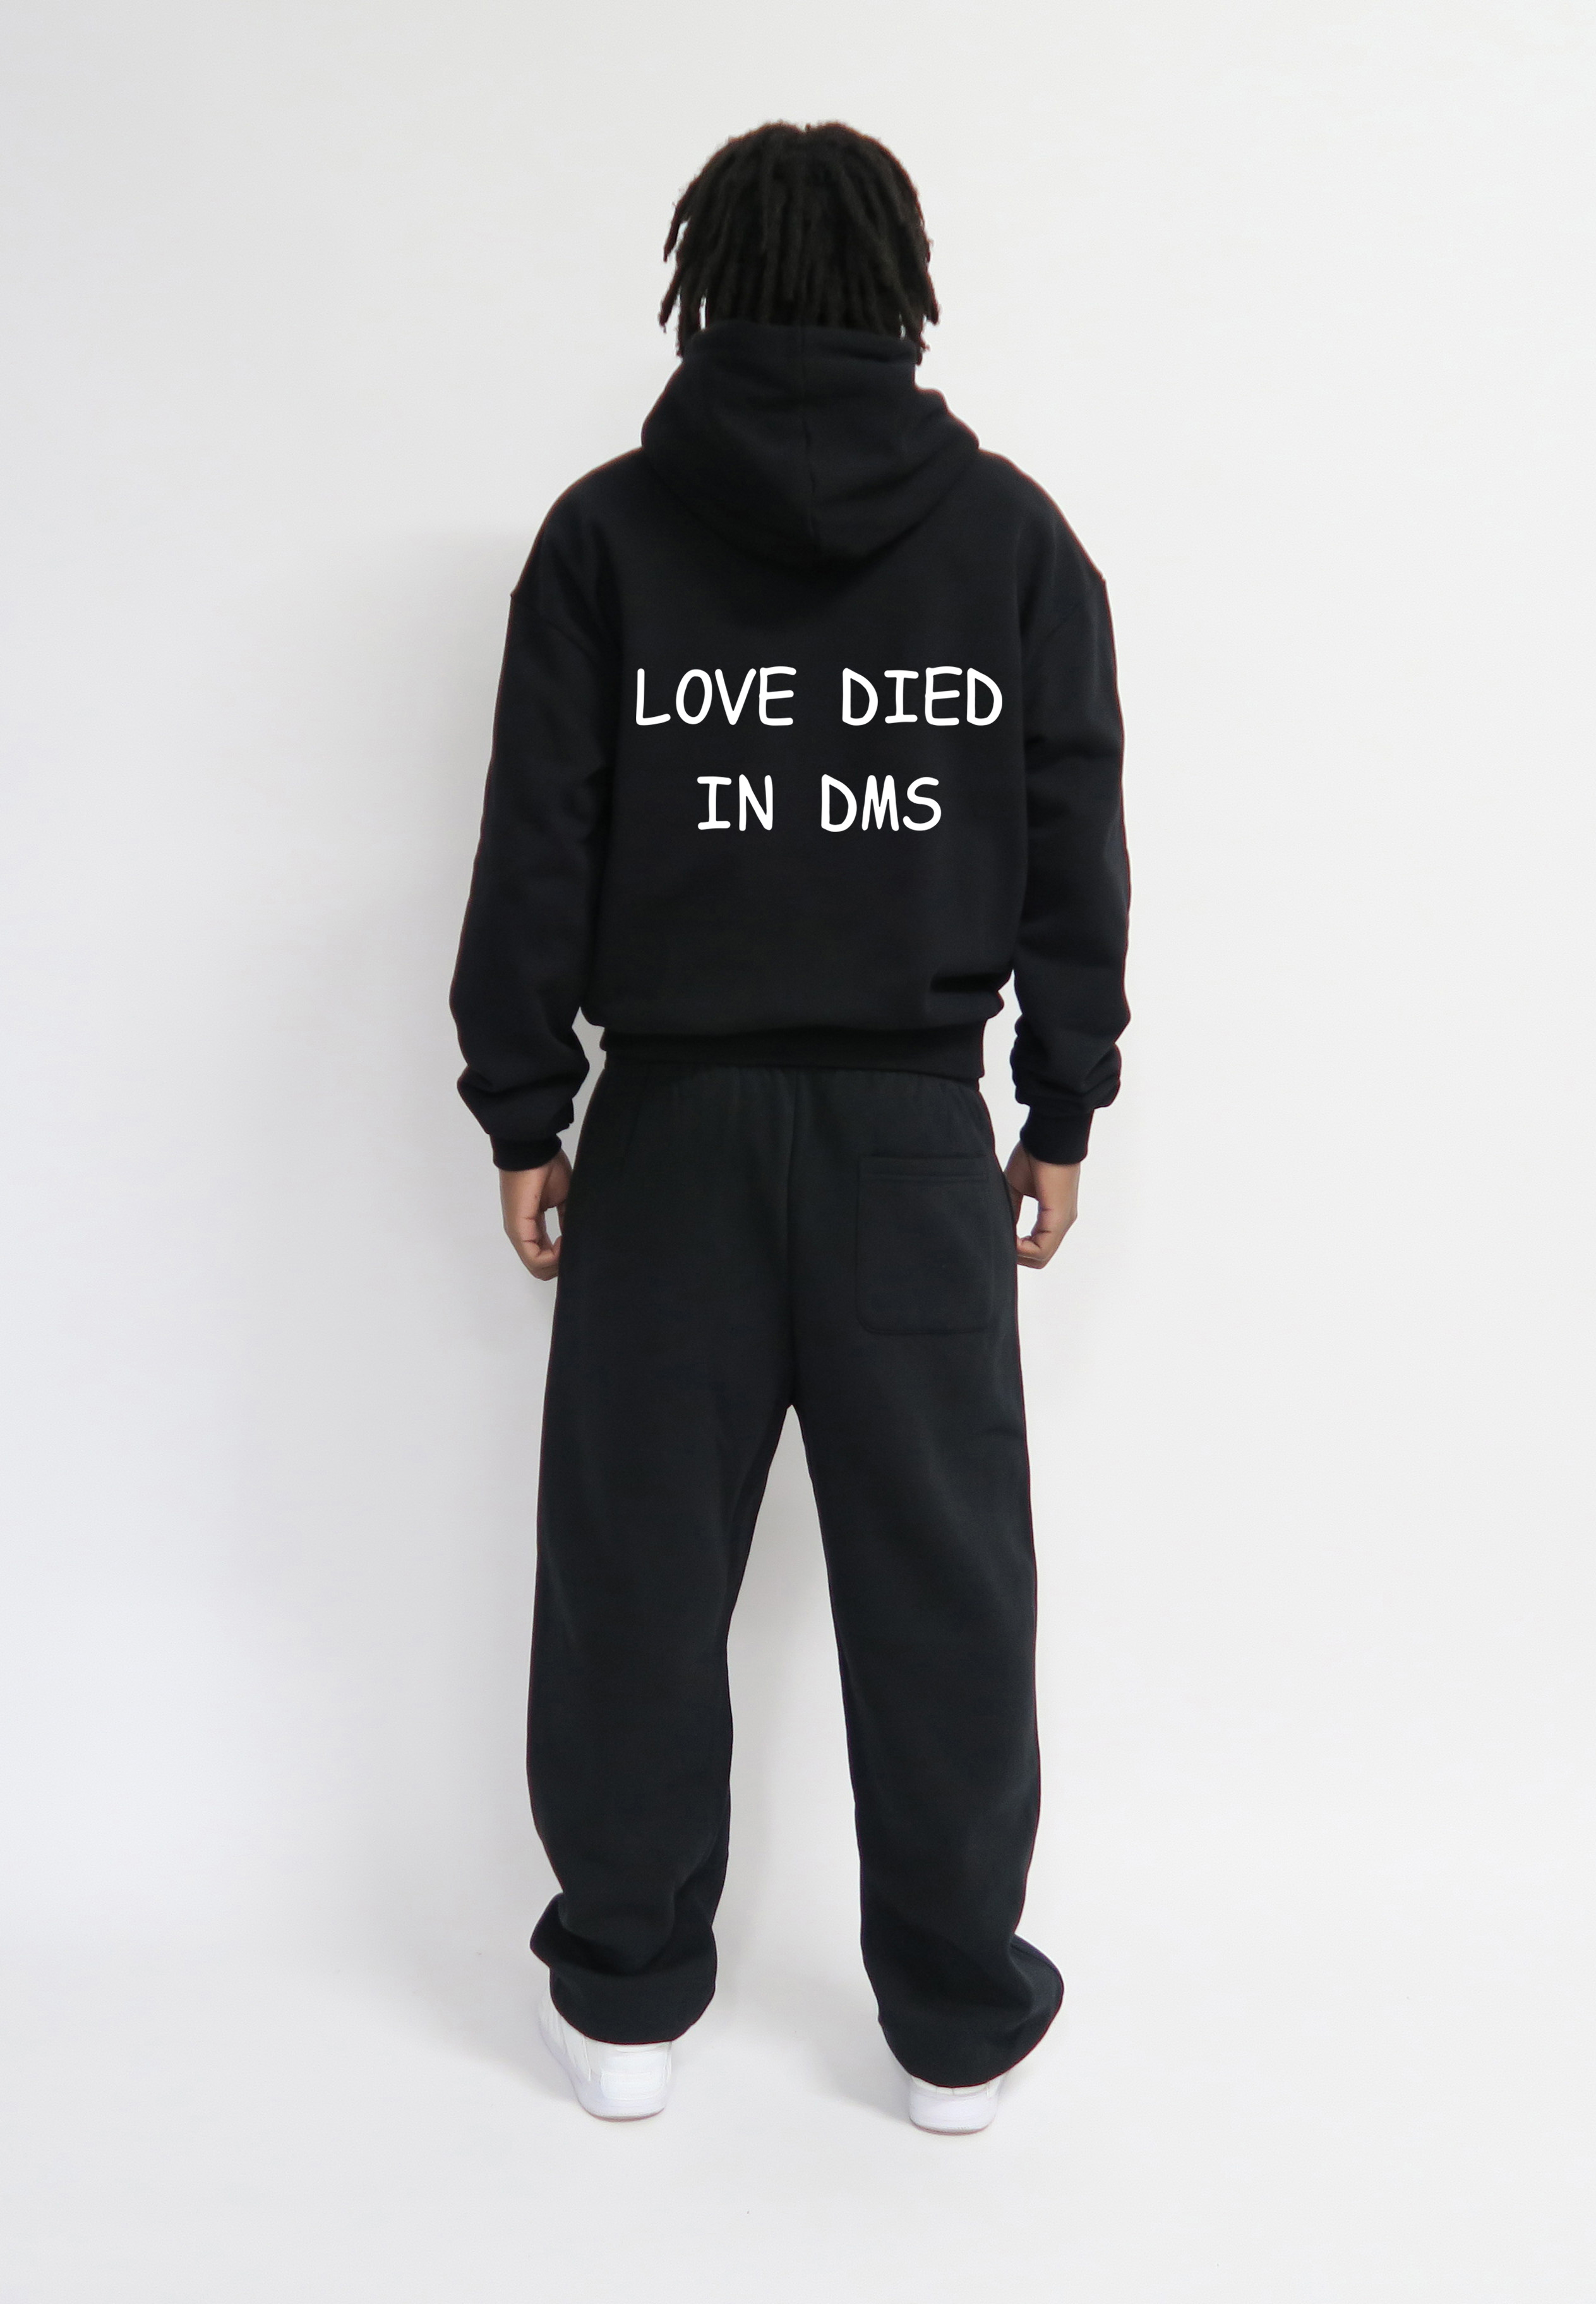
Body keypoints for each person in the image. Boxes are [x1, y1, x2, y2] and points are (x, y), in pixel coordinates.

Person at [450, 119, 1129, 2133]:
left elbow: (539, 839)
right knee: (946, 1590)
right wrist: (1063, 1096)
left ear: (711, 284)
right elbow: (1071, 838)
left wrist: (524, 1105)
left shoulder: (606, 539)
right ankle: (956, 2028)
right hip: (918, 1142)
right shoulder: (1010, 541)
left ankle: (626, 2000)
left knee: (635, 1575)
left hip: (669, 1136)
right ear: (899, 284)